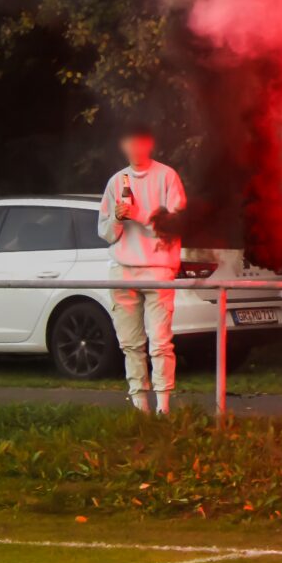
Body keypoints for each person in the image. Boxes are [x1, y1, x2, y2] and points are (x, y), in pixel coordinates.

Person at [98, 123, 187, 415]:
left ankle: (164, 408)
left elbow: (177, 224)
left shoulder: (167, 177)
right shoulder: (116, 182)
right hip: (123, 270)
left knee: (160, 342)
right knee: (130, 343)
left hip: (158, 269)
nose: (134, 148)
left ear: (150, 143)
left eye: (140, 141)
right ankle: (140, 408)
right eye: (129, 142)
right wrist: (118, 220)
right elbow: (106, 233)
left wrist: (140, 214)